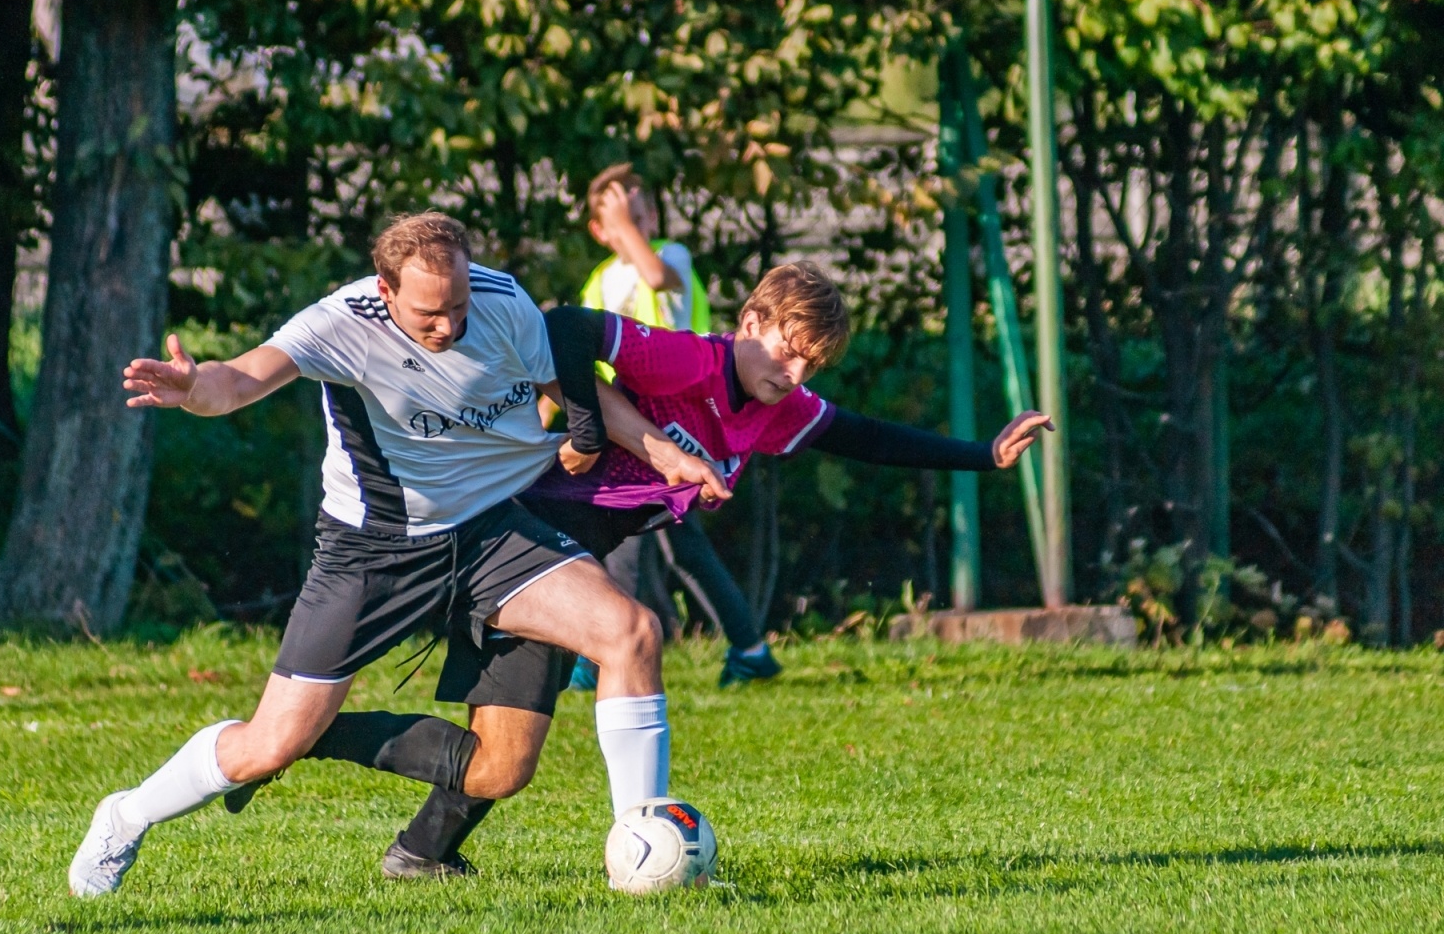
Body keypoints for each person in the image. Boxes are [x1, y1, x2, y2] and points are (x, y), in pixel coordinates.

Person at [67, 213, 729, 896]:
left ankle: (640, 855)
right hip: (371, 552)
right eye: (428, 313)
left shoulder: (503, 303)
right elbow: (240, 379)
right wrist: (195, 387)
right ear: (384, 290)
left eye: (458, 305)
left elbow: (574, 389)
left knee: (622, 642)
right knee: (269, 743)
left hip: (492, 532)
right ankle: (126, 814)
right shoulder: (338, 324)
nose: (448, 326)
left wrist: (666, 452)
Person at [310, 260, 1051, 866]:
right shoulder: (689, 359)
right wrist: (588, 429)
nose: (794, 372)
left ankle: (408, 836)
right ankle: (642, 845)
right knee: (627, 638)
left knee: (502, 764)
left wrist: (981, 455)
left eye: (811, 362)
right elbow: (565, 327)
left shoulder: (775, 405)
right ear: (749, 323)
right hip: (518, 535)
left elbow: (861, 434)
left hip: (559, 552)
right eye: (786, 348)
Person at [575, 162, 778, 688]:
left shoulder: (669, 256)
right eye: (620, 220)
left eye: (641, 215)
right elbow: (581, 361)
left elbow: (656, 278)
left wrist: (629, 228)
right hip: (627, 421)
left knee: (625, 539)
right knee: (678, 545)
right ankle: (751, 649)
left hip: (680, 419)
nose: (635, 226)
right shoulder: (599, 280)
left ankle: (596, 656)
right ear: (597, 231)